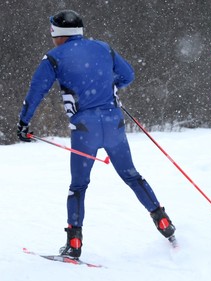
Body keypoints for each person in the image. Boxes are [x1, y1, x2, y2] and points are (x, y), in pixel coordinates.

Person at [17, 10, 176, 259]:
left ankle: (74, 243)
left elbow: (36, 91)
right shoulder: (103, 47)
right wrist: (110, 86)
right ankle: (163, 221)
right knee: (132, 176)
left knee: (78, 186)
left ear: (58, 34)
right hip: (114, 123)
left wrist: (23, 123)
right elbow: (128, 75)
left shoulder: (53, 58)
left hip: (84, 129)